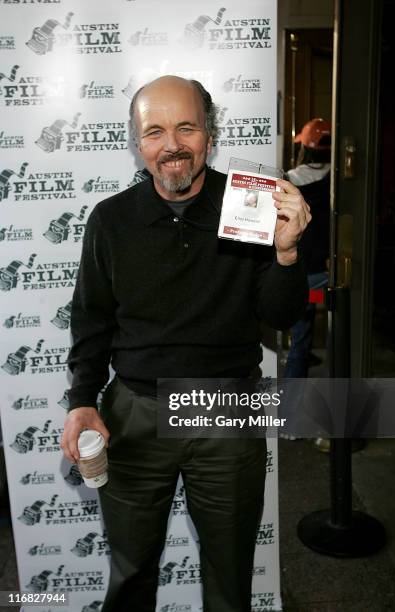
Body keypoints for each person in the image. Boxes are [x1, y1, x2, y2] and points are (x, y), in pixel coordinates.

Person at [61, 75, 311, 612]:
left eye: (186, 127)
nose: (170, 144)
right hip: (134, 415)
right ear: (138, 143)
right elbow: (92, 319)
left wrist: (287, 254)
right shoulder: (112, 220)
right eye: (154, 131)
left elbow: (280, 315)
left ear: (209, 135)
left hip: (225, 408)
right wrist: (82, 399)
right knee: (129, 576)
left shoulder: (250, 205)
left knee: (229, 577)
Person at [283, 118, 331, 379]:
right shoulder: (340, 178)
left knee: (300, 332)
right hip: (326, 272)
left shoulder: (291, 178)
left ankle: (292, 400)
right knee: (324, 322)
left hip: (301, 271)